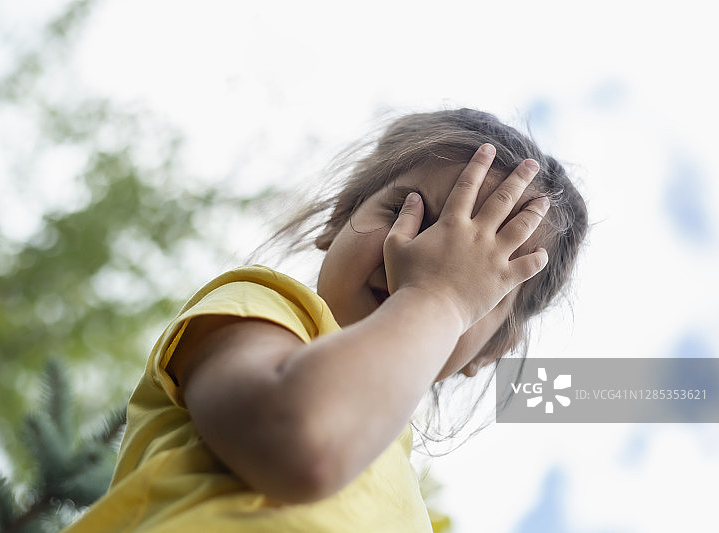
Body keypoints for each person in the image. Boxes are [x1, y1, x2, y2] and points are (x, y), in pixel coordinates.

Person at [62, 108, 588, 532]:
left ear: (493, 349)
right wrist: (443, 296)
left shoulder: (411, 513)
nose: (423, 255)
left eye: (478, 268)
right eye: (408, 212)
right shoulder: (268, 308)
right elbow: (299, 442)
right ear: (339, 218)